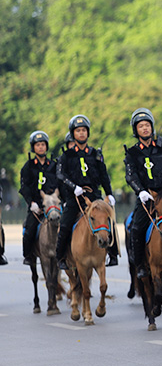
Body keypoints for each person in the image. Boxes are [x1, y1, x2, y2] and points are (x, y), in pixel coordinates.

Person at [124, 108, 162, 278]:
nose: (145, 128)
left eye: (147, 125)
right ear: (135, 130)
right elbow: (130, 176)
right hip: (147, 197)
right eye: (141, 126)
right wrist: (141, 191)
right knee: (136, 227)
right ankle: (140, 266)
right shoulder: (132, 152)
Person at [56, 115, 117, 270]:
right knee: (64, 225)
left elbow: (104, 175)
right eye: (78, 131)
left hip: (94, 196)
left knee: (109, 220)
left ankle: (113, 253)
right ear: (73, 133)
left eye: (84, 130)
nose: (81, 133)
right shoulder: (66, 155)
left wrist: (109, 194)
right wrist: (73, 187)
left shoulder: (95, 153)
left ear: (88, 133)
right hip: (74, 196)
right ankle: (61, 257)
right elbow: (60, 174)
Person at [19, 131, 58, 265]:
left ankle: (66, 253)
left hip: (52, 205)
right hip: (36, 207)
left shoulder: (54, 165)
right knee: (29, 230)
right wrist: (31, 203)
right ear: (33, 148)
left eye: (43, 144)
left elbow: (59, 185)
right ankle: (28, 255)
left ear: (46, 147)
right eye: (38, 145)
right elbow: (24, 187)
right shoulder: (28, 167)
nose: (41, 147)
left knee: (65, 227)